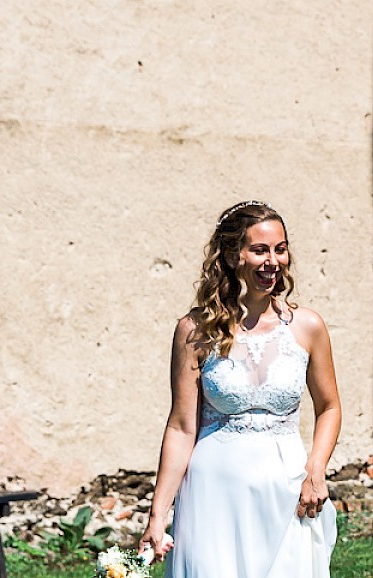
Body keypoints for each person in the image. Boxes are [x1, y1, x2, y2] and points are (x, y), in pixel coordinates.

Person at [138, 200, 342, 576]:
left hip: (287, 486)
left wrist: (316, 469)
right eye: (260, 249)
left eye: (280, 249)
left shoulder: (308, 326)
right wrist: (157, 515)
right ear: (233, 256)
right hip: (213, 493)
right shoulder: (195, 332)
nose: (273, 261)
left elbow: (329, 406)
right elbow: (182, 427)